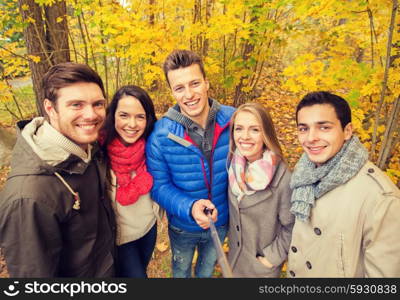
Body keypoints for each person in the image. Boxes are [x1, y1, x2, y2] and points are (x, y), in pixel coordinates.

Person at [0, 62, 116, 277]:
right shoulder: (28, 197)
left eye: (98, 104)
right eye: (76, 105)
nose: (91, 115)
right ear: (50, 108)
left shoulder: (88, 150)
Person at [287, 91, 400, 277]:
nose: (311, 138)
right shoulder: (303, 176)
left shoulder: (381, 198)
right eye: (303, 128)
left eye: (324, 127)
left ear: (347, 131)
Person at [146, 49, 235, 278]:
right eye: (179, 88)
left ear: (206, 83)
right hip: (183, 225)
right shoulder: (161, 135)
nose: (189, 94)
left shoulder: (235, 121)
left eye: (194, 83)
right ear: (172, 92)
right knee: (181, 271)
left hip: (222, 220)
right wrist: (189, 206)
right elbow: (158, 186)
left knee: (205, 271)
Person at [101, 85, 162, 278]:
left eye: (140, 117)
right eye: (124, 115)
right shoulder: (98, 151)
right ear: (113, 116)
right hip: (121, 237)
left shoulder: (152, 147)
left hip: (148, 229)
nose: (132, 124)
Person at [227, 103, 294, 277]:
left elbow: (292, 227)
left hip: (260, 268)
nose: (245, 136)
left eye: (254, 130)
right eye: (239, 129)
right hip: (234, 262)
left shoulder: (282, 178)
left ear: (266, 133)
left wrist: (270, 258)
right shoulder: (233, 166)